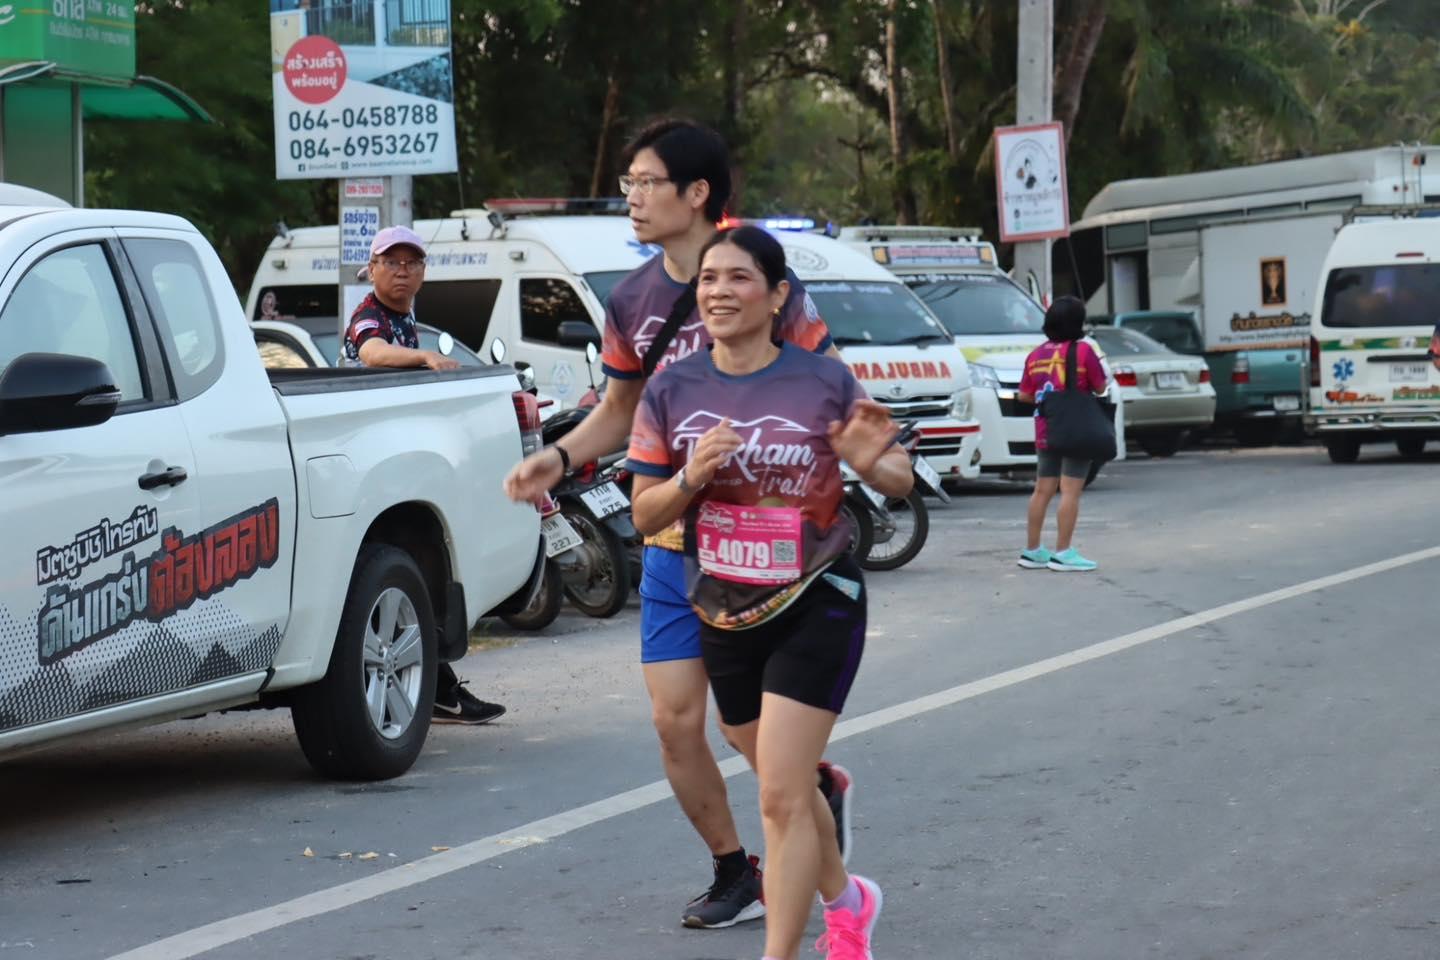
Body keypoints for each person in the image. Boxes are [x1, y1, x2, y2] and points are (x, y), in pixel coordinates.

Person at [503, 119, 854, 929]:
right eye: (627, 182)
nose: (632, 196)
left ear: (697, 193)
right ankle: (737, 869)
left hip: (758, 550)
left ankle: (818, 836)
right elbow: (619, 410)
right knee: (673, 724)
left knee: (748, 736)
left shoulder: (765, 283)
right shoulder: (632, 299)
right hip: (669, 543)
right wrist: (557, 457)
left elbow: (828, 385)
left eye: (646, 181)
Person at [627, 226, 912, 960]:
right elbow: (644, 514)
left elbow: (899, 476)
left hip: (817, 596)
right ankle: (849, 902)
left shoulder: (822, 380)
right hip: (723, 607)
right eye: (709, 279)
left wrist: (870, 462)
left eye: (739, 278)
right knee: (784, 784)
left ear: (778, 294)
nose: (719, 291)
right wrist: (691, 476)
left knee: (780, 796)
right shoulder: (671, 390)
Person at [345, 225, 507, 726]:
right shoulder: (369, 317)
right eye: (391, 262)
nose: (402, 271)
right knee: (402, 577)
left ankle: (440, 690)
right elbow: (371, 353)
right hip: (365, 473)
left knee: (417, 575)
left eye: (411, 262)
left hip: (399, 470)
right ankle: (438, 691)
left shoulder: (406, 318)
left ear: (423, 273)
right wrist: (423, 356)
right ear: (371, 269)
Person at [1016, 295, 1109, 572]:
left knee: (1042, 489)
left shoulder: (1035, 355)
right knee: (1070, 490)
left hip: (1046, 428)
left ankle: (1032, 551)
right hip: (1075, 429)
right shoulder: (1083, 352)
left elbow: (1024, 395)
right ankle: (1063, 552)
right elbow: (1101, 387)